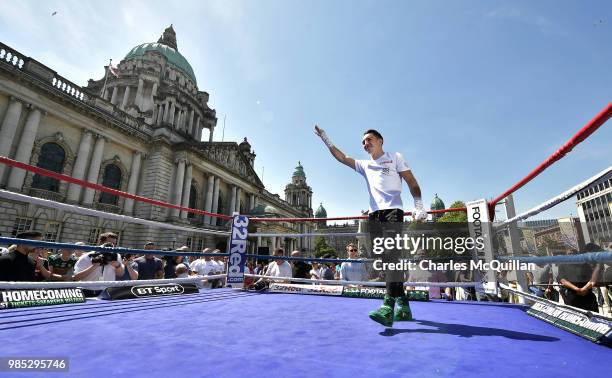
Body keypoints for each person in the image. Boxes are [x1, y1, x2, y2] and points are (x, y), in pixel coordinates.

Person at [315, 126, 427, 327]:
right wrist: (326, 139)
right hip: (374, 216)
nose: (366, 143)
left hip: (393, 211)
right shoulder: (364, 165)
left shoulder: (395, 157)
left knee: (392, 257)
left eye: (369, 139)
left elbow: (411, 181)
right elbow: (342, 158)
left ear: (381, 141)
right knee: (384, 261)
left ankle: (387, 306)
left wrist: (418, 204)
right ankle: (403, 303)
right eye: (363, 142)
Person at [557, 244, 602, 312]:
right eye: (569, 253)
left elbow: (592, 278)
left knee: (594, 316)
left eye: (574, 253)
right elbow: (563, 280)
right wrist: (577, 289)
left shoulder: (585, 264)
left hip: (588, 295)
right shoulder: (562, 265)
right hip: (573, 296)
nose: (571, 254)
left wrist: (585, 289)